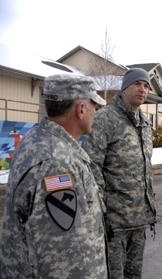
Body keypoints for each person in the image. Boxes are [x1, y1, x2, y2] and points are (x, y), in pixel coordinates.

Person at [0, 74, 108, 278]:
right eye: (95, 105)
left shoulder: (39, 141)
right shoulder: (57, 162)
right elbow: (61, 257)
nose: (97, 111)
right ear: (81, 109)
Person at [82, 67, 156, 279]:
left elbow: (144, 168)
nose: (143, 89)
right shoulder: (105, 118)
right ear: (124, 89)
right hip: (114, 223)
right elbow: (91, 165)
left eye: (146, 86)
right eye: (137, 84)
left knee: (134, 274)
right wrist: (102, 210)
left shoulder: (145, 123)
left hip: (139, 219)